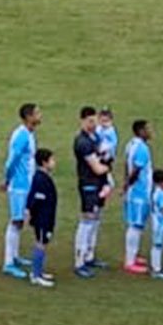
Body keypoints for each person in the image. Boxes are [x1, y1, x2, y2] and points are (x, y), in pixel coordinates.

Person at [0, 103, 41, 277]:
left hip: (26, 184)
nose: (40, 116)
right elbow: (12, 160)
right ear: (28, 116)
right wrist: (7, 179)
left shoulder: (29, 134)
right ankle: (8, 263)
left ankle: (15, 256)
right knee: (16, 220)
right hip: (19, 186)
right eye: (37, 113)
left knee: (21, 221)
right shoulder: (22, 136)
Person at [71, 106, 111, 278]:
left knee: (95, 220)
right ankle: (79, 261)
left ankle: (90, 255)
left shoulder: (94, 137)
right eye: (90, 121)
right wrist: (108, 166)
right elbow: (97, 167)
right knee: (87, 221)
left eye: (95, 121)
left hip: (99, 185)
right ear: (82, 121)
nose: (93, 124)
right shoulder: (82, 142)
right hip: (89, 184)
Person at [121, 119, 154, 275]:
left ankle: (133, 256)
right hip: (139, 193)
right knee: (135, 226)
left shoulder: (131, 144)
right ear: (141, 131)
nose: (151, 131)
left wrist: (125, 184)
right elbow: (135, 170)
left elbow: (125, 166)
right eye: (148, 129)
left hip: (135, 192)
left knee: (136, 225)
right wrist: (128, 184)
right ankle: (129, 261)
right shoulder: (142, 148)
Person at [26, 148, 59, 289]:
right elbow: (35, 199)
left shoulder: (42, 177)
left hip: (46, 217)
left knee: (43, 242)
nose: (54, 163)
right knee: (41, 243)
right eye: (52, 160)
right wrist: (32, 214)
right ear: (44, 162)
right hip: (42, 218)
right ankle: (36, 275)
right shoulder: (40, 179)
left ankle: (38, 272)